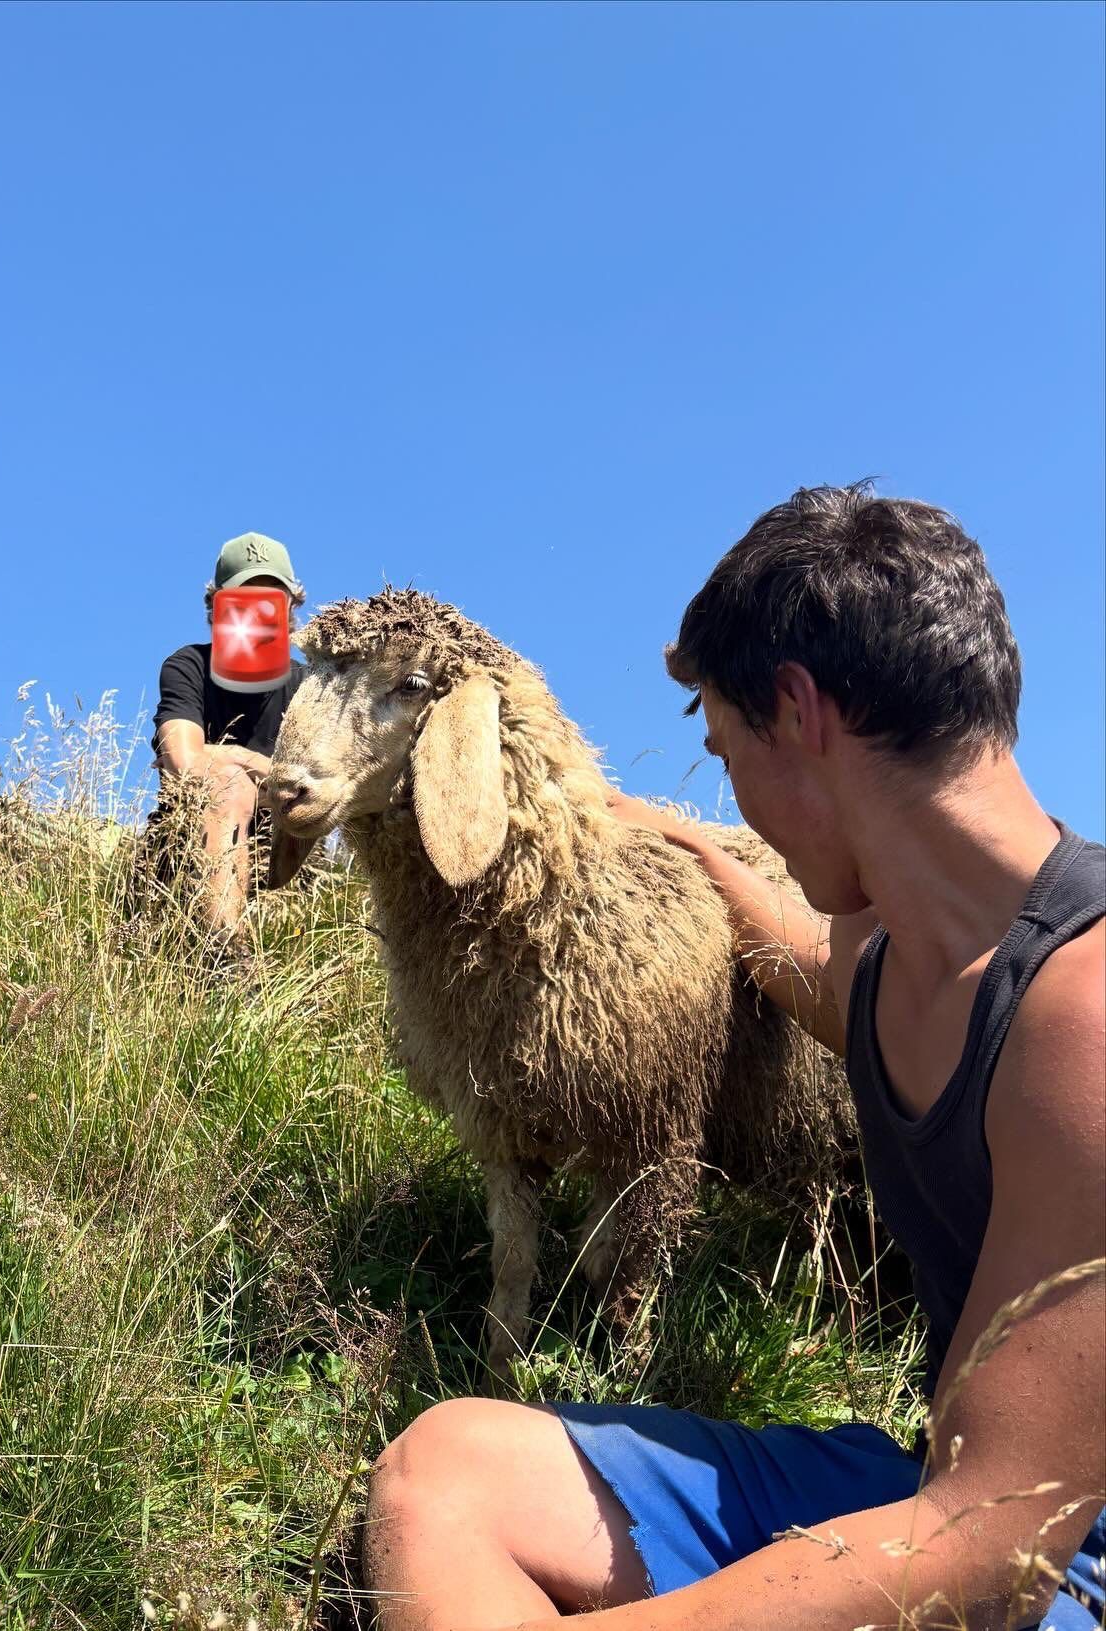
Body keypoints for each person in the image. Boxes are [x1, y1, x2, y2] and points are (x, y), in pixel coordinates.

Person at [362, 485, 1104, 1631]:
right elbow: (826, 984)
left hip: (1044, 1548)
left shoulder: (1086, 1014)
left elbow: (993, 1545)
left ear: (796, 710)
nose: (731, 792)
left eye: (721, 747)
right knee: (446, 1474)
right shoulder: (889, 939)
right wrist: (701, 854)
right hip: (931, 1487)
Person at [151, 532, 307, 937]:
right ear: (218, 604)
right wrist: (262, 773)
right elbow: (186, 764)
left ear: (290, 606)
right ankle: (225, 951)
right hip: (183, 857)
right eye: (245, 597)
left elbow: (314, 786)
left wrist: (225, 755)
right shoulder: (189, 667)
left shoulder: (309, 687)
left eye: (271, 598)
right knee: (228, 784)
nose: (258, 611)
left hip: (288, 859)